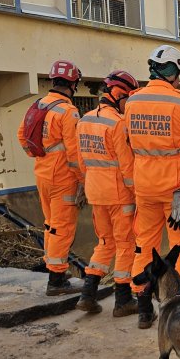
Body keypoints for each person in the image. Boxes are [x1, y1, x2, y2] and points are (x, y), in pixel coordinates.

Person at [125, 45, 180, 328]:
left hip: (144, 185)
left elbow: (128, 140)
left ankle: (144, 306)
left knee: (144, 244)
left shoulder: (132, 102)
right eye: (179, 74)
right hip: (178, 189)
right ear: (172, 73)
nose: (179, 80)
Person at [75, 70, 140, 317]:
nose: (127, 105)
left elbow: (81, 163)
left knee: (104, 242)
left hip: (95, 192)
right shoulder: (117, 123)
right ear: (118, 94)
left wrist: (87, 184)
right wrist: (137, 194)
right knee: (125, 244)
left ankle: (87, 294)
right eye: (127, 99)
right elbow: (127, 166)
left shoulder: (84, 120)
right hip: (119, 195)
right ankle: (123, 299)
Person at [17, 59, 83, 296]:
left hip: (42, 173)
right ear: (72, 84)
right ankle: (56, 279)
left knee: (51, 225)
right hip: (63, 177)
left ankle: (53, 266)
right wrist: (82, 180)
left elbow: (22, 135)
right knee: (63, 227)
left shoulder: (38, 105)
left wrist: (39, 155)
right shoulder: (68, 111)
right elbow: (74, 153)